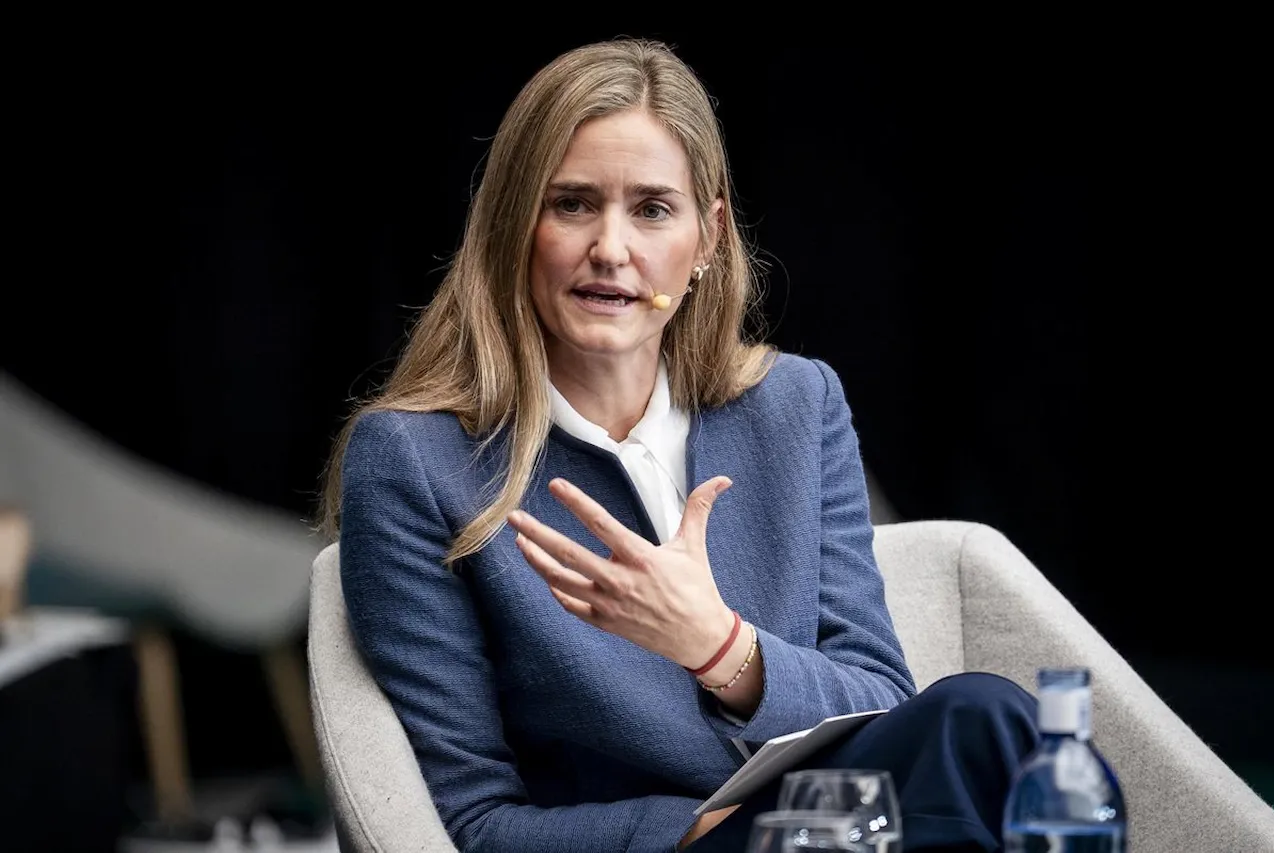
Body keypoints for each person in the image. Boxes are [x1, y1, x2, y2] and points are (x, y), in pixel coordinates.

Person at [320, 38, 1039, 853]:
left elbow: (882, 700)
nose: (612, 249)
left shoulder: (796, 405)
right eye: (573, 203)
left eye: (653, 208)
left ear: (707, 237)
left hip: (843, 829)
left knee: (984, 715)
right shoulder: (414, 460)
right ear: (513, 225)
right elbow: (471, 822)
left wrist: (719, 646)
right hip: (666, 846)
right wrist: (697, 830)